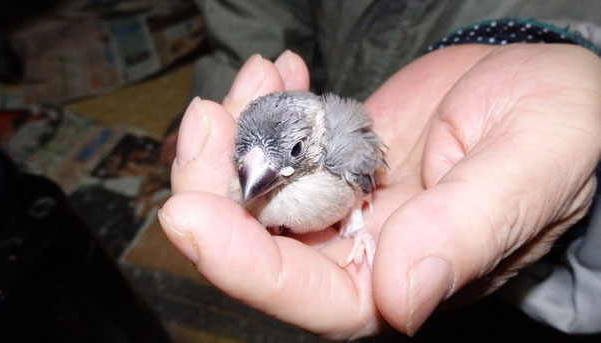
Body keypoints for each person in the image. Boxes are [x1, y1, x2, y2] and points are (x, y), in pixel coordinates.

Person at [159, 1, 601, 339]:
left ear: (315, 140)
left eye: (294, 151)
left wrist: (357, 226)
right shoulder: (255, 178)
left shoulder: (343, 156)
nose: (258, 178)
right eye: (247, 163)